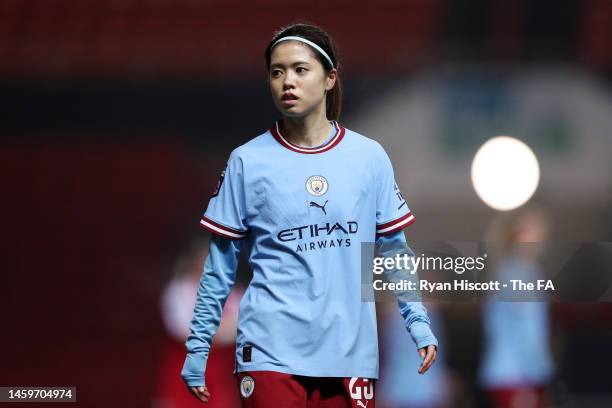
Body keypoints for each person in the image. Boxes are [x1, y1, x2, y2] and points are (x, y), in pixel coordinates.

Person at [181, 22, 438, 408]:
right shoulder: (247, 162)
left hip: (350, 352)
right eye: (277, 71)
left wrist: (417, 322)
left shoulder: (369, 158)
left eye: (301, 70)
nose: (287, 81)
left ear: (330, 78)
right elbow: (220, 266)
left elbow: (394, 251)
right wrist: (198, 346)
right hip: (269, 350)